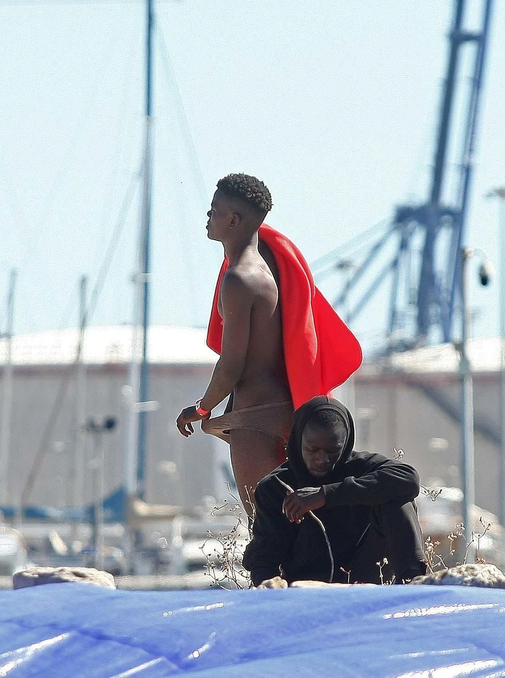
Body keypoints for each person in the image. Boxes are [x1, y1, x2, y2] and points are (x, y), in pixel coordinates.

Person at [176, 174, 361, 515]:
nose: (208, 215)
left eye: (214, 210)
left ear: (233, 220)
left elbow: (232, 364)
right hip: (286, 409)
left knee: (266, 527)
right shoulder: (268, 264)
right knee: (293, 521)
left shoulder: (239, 278)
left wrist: (202, 409)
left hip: (255, 419)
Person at [243, 397, 429, 585]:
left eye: (332, 451)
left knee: (397, 496)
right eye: (312, 449)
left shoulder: (361, 467)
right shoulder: (275, 487)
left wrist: (326, 495)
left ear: (346, 444)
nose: (322, 459)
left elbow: (409, 478)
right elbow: (264, 559)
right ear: (298, 439)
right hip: (308, 587)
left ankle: (411, 583)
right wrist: (271, 595)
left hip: (365, 575)